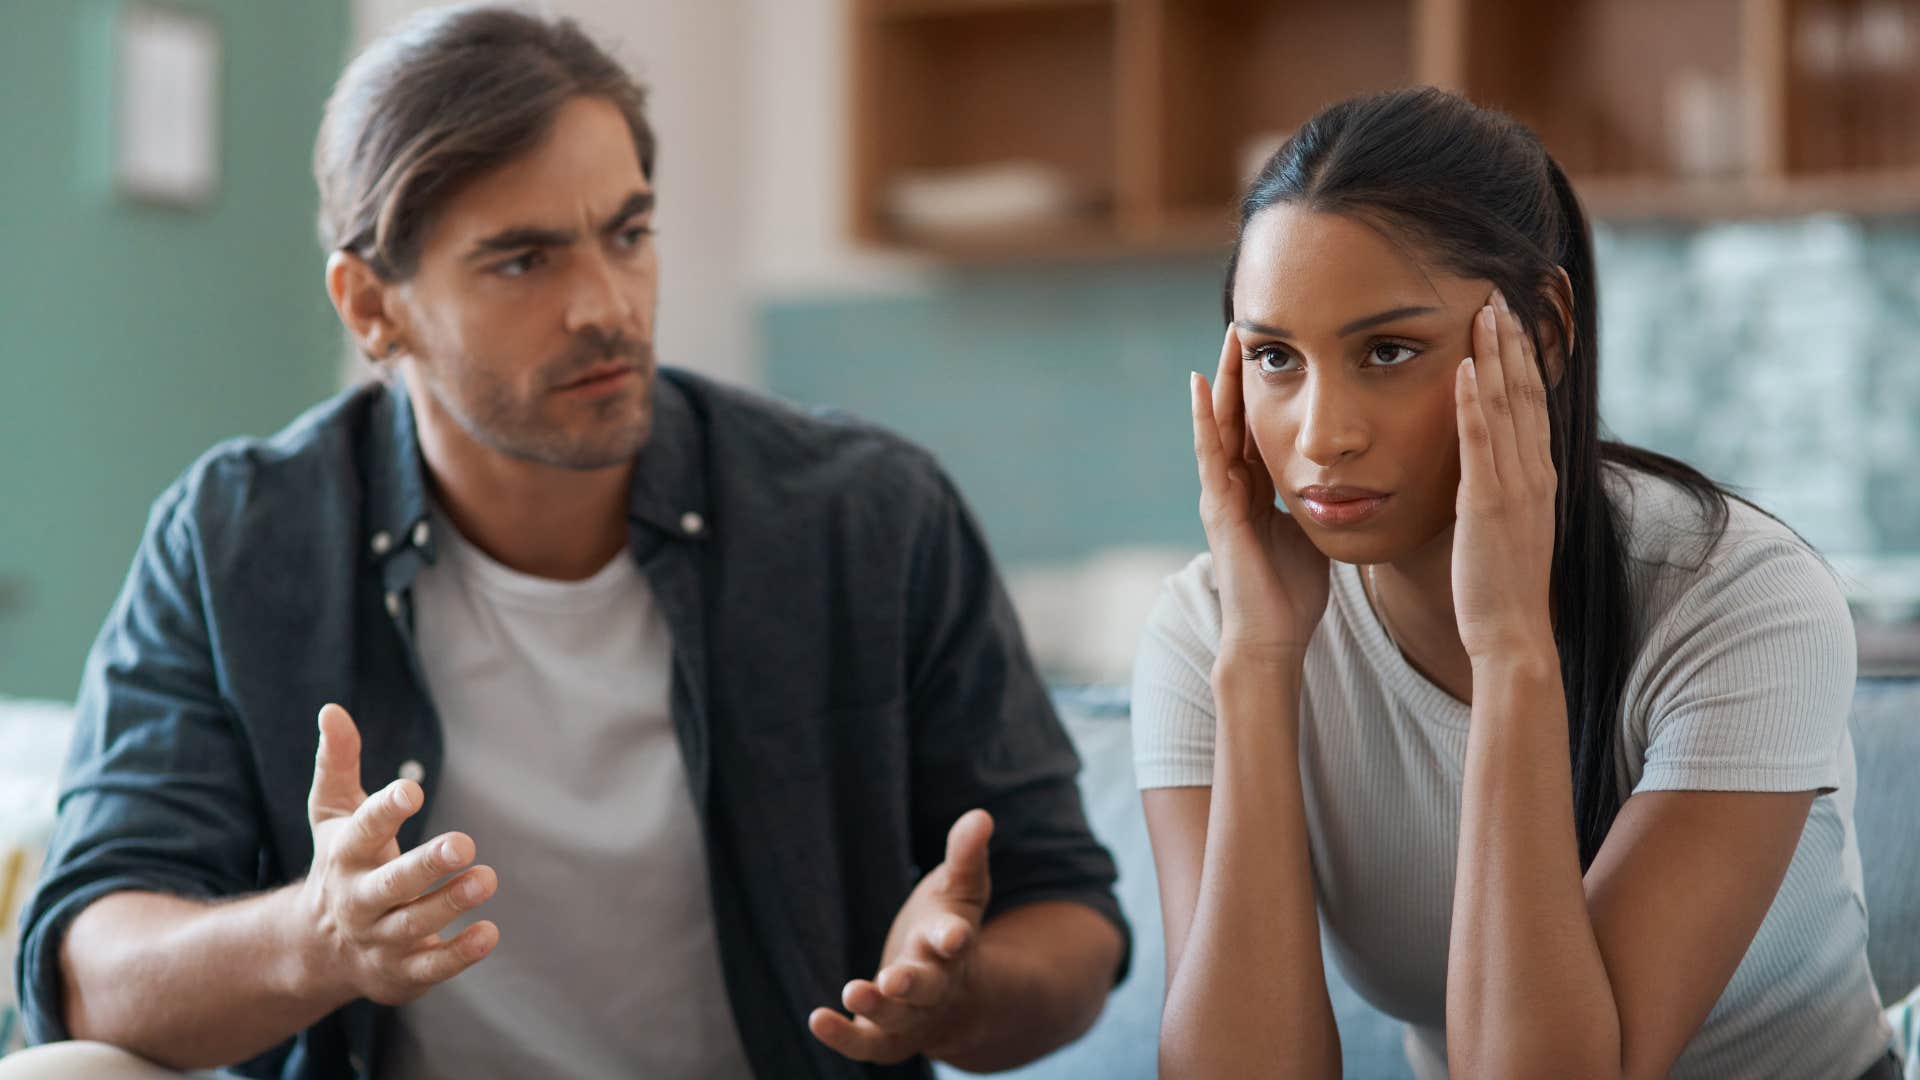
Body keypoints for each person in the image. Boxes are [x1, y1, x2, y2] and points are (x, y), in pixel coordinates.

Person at [7, 6, 1126, 1078]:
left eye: (628, 233)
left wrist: (957, 992)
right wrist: (319, 938)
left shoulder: (868, 517)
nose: (609, 305)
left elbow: (1070, 918)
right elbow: (86, 971)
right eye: (523, 260)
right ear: (369, 306)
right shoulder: (235, 540)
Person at [1135, 87, 1902, 1080]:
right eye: (1276, 357)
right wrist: (1257, 659)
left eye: (1388, 351)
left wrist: (1510, 649)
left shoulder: (1737, 597)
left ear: (1539, 335)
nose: (1323, 436)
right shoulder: (1213, 629)